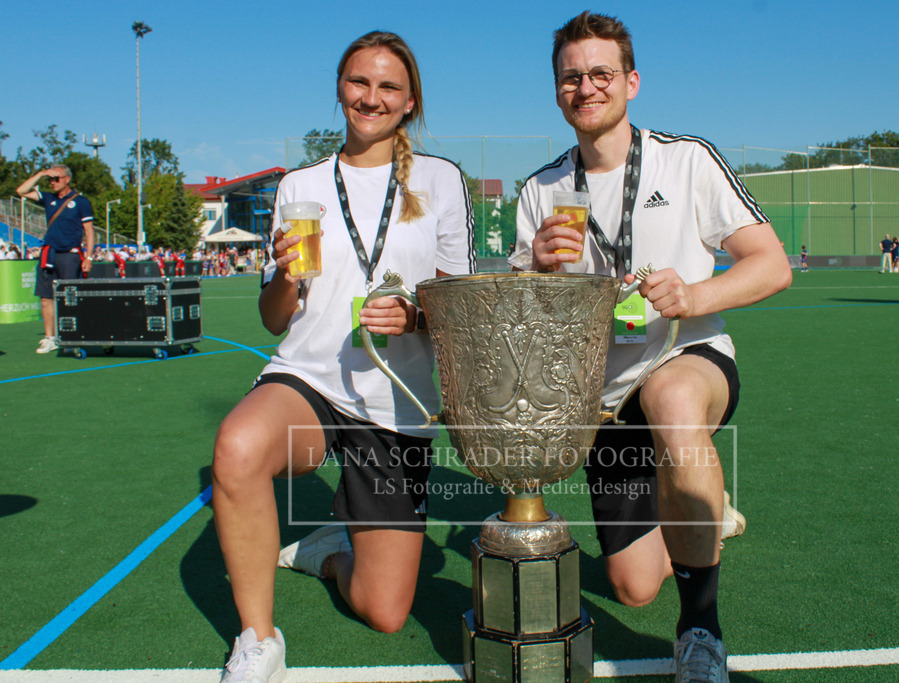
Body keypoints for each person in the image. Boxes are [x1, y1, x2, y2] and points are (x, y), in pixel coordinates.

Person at [510, 12, 791, 682]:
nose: (587, 86)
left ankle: (700, 631)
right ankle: (698, 503)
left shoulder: (686, 159)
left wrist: (695, 295)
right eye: (572, 76)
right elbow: (521, 320)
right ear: (558, 93)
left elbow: (771, 264)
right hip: (606, 402)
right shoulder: (539, 191)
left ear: (631, 81)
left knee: (670, 398)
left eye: (601, 73)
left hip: (687, 361)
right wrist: (537, 272)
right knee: (633, 583)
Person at [211, 30, 475, 683]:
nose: (371, 97)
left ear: (409, 101)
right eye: (359, 82)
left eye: (388, 86)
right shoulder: (300, 184)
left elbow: (462, 307)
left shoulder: (442, 180)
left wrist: (414, 314)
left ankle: (329, 550)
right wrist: (287, 278)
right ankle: (256, 638)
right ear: (340, 88)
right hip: (310, 380)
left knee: (384, 610)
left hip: (397, 402)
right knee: (238, 447)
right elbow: (273, 316)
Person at [15, 164, 95, 353]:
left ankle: (72, 334)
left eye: (56, 178)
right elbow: (21, 191)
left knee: (70, 297)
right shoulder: (48, 198)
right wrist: (41, 173)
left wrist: (89, 257)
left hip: (70, 254)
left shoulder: (81, 202)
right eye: (50, 179)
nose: (52, 182)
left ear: (67, 179)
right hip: (49, 253)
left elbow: (89, 232)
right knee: (46, 297)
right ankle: (50, 337)